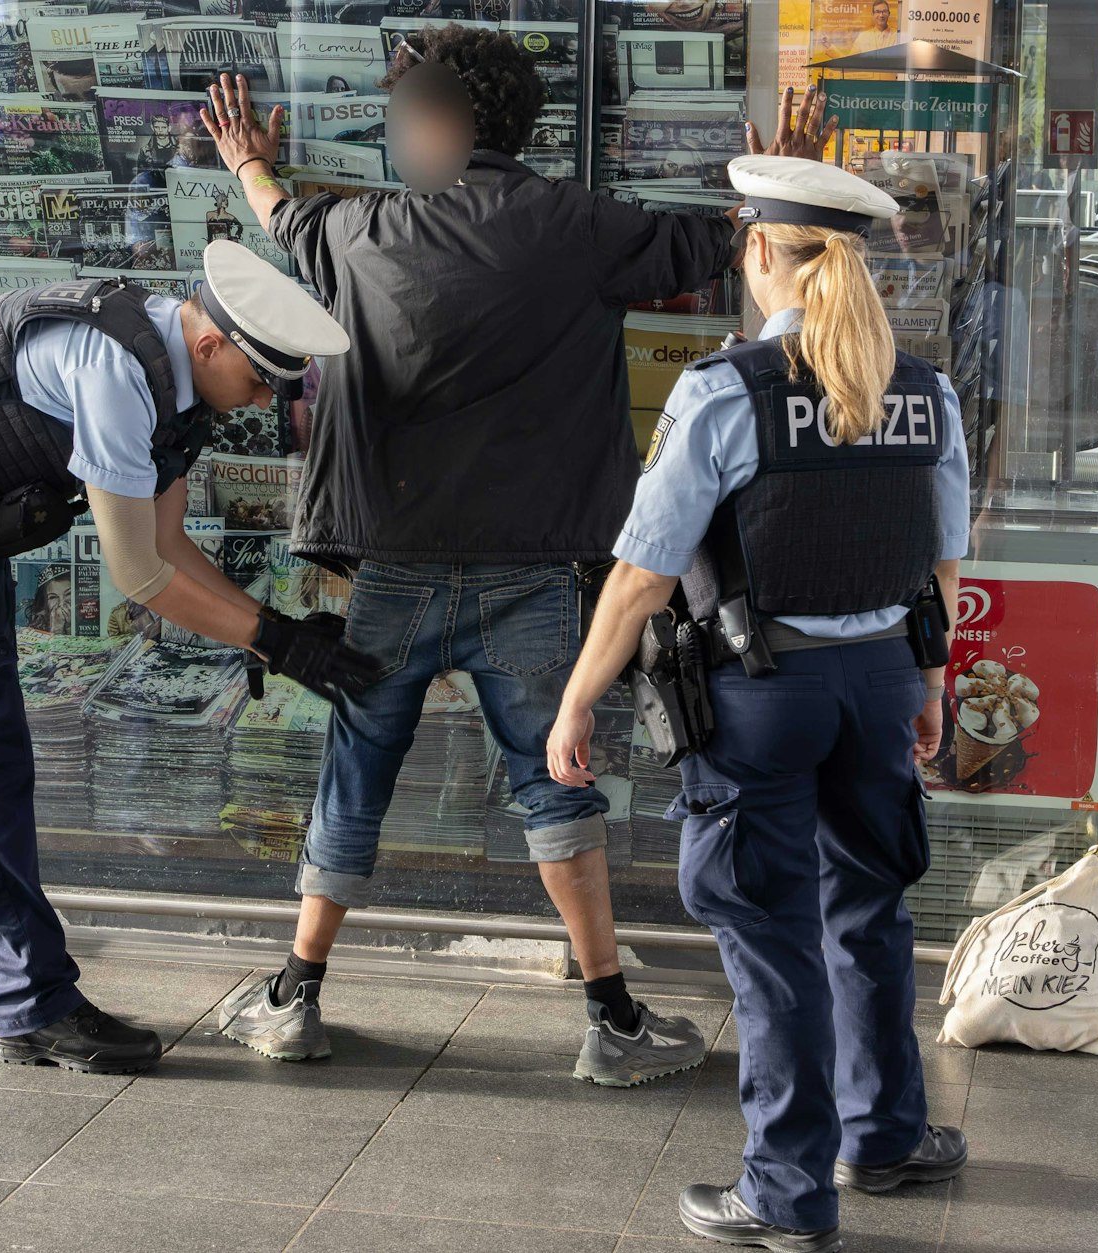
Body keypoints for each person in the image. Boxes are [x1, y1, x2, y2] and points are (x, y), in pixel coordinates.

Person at [195, 25, 832, 1079]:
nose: (394, 137)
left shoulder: (359, 233)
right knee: (557, 784)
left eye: (404, 117)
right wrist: (793, 182)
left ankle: (294, 994)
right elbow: (726, 244)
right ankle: (612, 1018)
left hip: (388, 572)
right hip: (533, 577)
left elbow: (287, 219)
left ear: (443, 125)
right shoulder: (576, 227)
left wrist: (247, 161)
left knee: (353, 777)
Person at [545, 155, 972, 1250]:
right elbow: (939, 569)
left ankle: (784, 1194)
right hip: (878, 679)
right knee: (867, 908)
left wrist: (576, 699)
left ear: (754, 252)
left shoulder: (722, 390)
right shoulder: (921, 389)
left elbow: (641, 575)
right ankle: (882, 1134)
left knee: (769, 934)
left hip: (757, 693)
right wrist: (924, 686)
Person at [0, 244, 371, 1074]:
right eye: (262, 380)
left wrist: (279, 628)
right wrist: (269, 639)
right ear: (210, 346)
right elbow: (141, 575)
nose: (265, 401)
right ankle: (30, 1005)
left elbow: (168, 541)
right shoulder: (121, 373)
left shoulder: (175, 380)